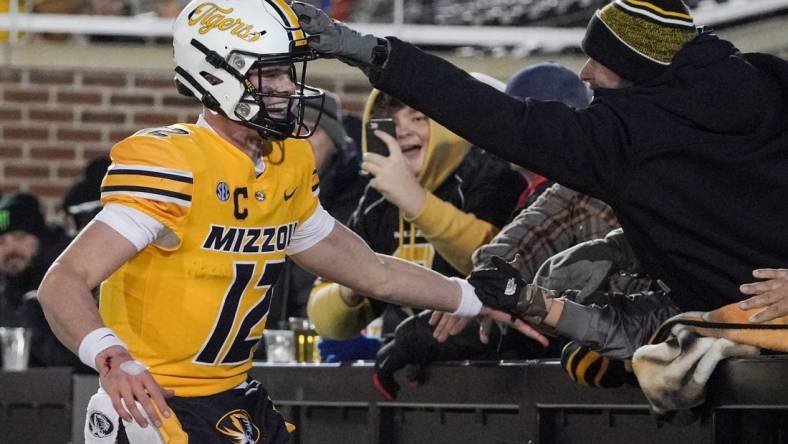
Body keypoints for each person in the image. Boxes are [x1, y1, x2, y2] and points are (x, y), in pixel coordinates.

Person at [35, 1, 507, 442]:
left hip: (235, 400)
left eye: (287, 71)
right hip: (155, 406)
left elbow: (372, 272)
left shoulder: (286, 162)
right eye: (271, 73)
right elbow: (64, 281)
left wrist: (471, 298)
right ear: (216, 74)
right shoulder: (175, 161)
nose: (286, 87)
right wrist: (112, 358)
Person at [291, 0, 788, 348]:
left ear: (637, 68)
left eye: (602, 60)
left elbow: (495, 117)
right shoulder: (769, 83)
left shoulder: (621, 140)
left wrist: (371, 52)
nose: (587, 73)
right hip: (741, 342)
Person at [307, 86, 524, 340]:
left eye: (418, 118)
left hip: (487, 364)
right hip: (401, 361)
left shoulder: (492, 175)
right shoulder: (378, 197)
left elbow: (502, 264)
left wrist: (415, 201)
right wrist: (352, 285)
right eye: (390, 122)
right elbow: (327, 324)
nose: (402, 131)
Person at [266, 90, 366, 328]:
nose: (298, 139)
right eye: (288, 129)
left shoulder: (363, 199)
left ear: (335, 142)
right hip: (264, 350)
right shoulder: (257, 193)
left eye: (310, 128)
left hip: (335, 346)